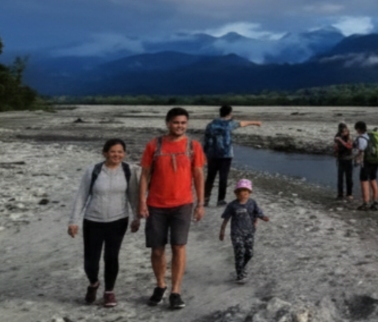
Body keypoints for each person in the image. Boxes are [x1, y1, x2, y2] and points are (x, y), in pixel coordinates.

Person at [139, 107, 206, 310]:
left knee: (178, 246)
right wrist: (141, 200)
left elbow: (198, 175)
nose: (180, 126)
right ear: (168, 123)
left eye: (183, 123)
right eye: (176, 122)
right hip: (156, 205)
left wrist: (200, 203)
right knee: (157, 249)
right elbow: (145, 175)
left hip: (182, 204)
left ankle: (176, 291)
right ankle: (161, 285)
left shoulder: (193, 146)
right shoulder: (154, 145)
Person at [68, 139, 142, 308]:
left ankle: (109, 292)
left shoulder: (128, 170)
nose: (117, 155)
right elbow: (81, 196)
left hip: (118, 220)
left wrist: (136, 218)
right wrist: (74, 221)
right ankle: (93, 283)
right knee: (91, 261)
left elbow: (133, 196)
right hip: (93, 220)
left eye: (120, 152)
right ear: (105, 153)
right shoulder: (93, 170)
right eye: (113, 151)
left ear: (124, 154)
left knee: (111, 257)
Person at [203, 105, 262, 207]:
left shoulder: (211, 124)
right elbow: (242, 124)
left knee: (210, 177)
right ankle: (220, 200)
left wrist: (204, 153)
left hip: (212, 154)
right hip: (226, 154)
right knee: (223, 178)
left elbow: (206, 140)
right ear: (230, 113)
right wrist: (255, 122)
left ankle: (205, 199)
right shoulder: (230, 123)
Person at [218, 179, 269, 284]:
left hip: (249, 232)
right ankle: (239, 274)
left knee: (249, 253)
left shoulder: (252, 203)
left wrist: (263, 217)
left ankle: (242, 267)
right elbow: (226, 218)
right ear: (236, 193)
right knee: (239, 253)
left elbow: (258, 213)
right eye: (241, 193)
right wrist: (222, 231)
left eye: (246, 193)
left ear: (249, 193)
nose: (243, 195)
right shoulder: (232, 205)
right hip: (236, 233)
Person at [353, 121, 378, 211]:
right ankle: (375, 201)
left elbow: (361, 149)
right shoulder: (371, 136)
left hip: (367, 162)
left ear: (358, 129)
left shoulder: (361, 138)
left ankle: (365, 203)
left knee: (364, 180)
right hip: (375, 161)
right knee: (373, 179)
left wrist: (356, 158)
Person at [334, 122, 355, 201]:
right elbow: (336, 146)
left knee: (348, 177)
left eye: (344, 131)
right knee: (340, 177)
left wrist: (341, 141)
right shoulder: (337, 136)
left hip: (348, 159)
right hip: (341, 158)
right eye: (342, 131)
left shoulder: (349, 137)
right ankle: (340, 194)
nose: (343, 133)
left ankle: (349, 194)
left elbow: (349, 146)